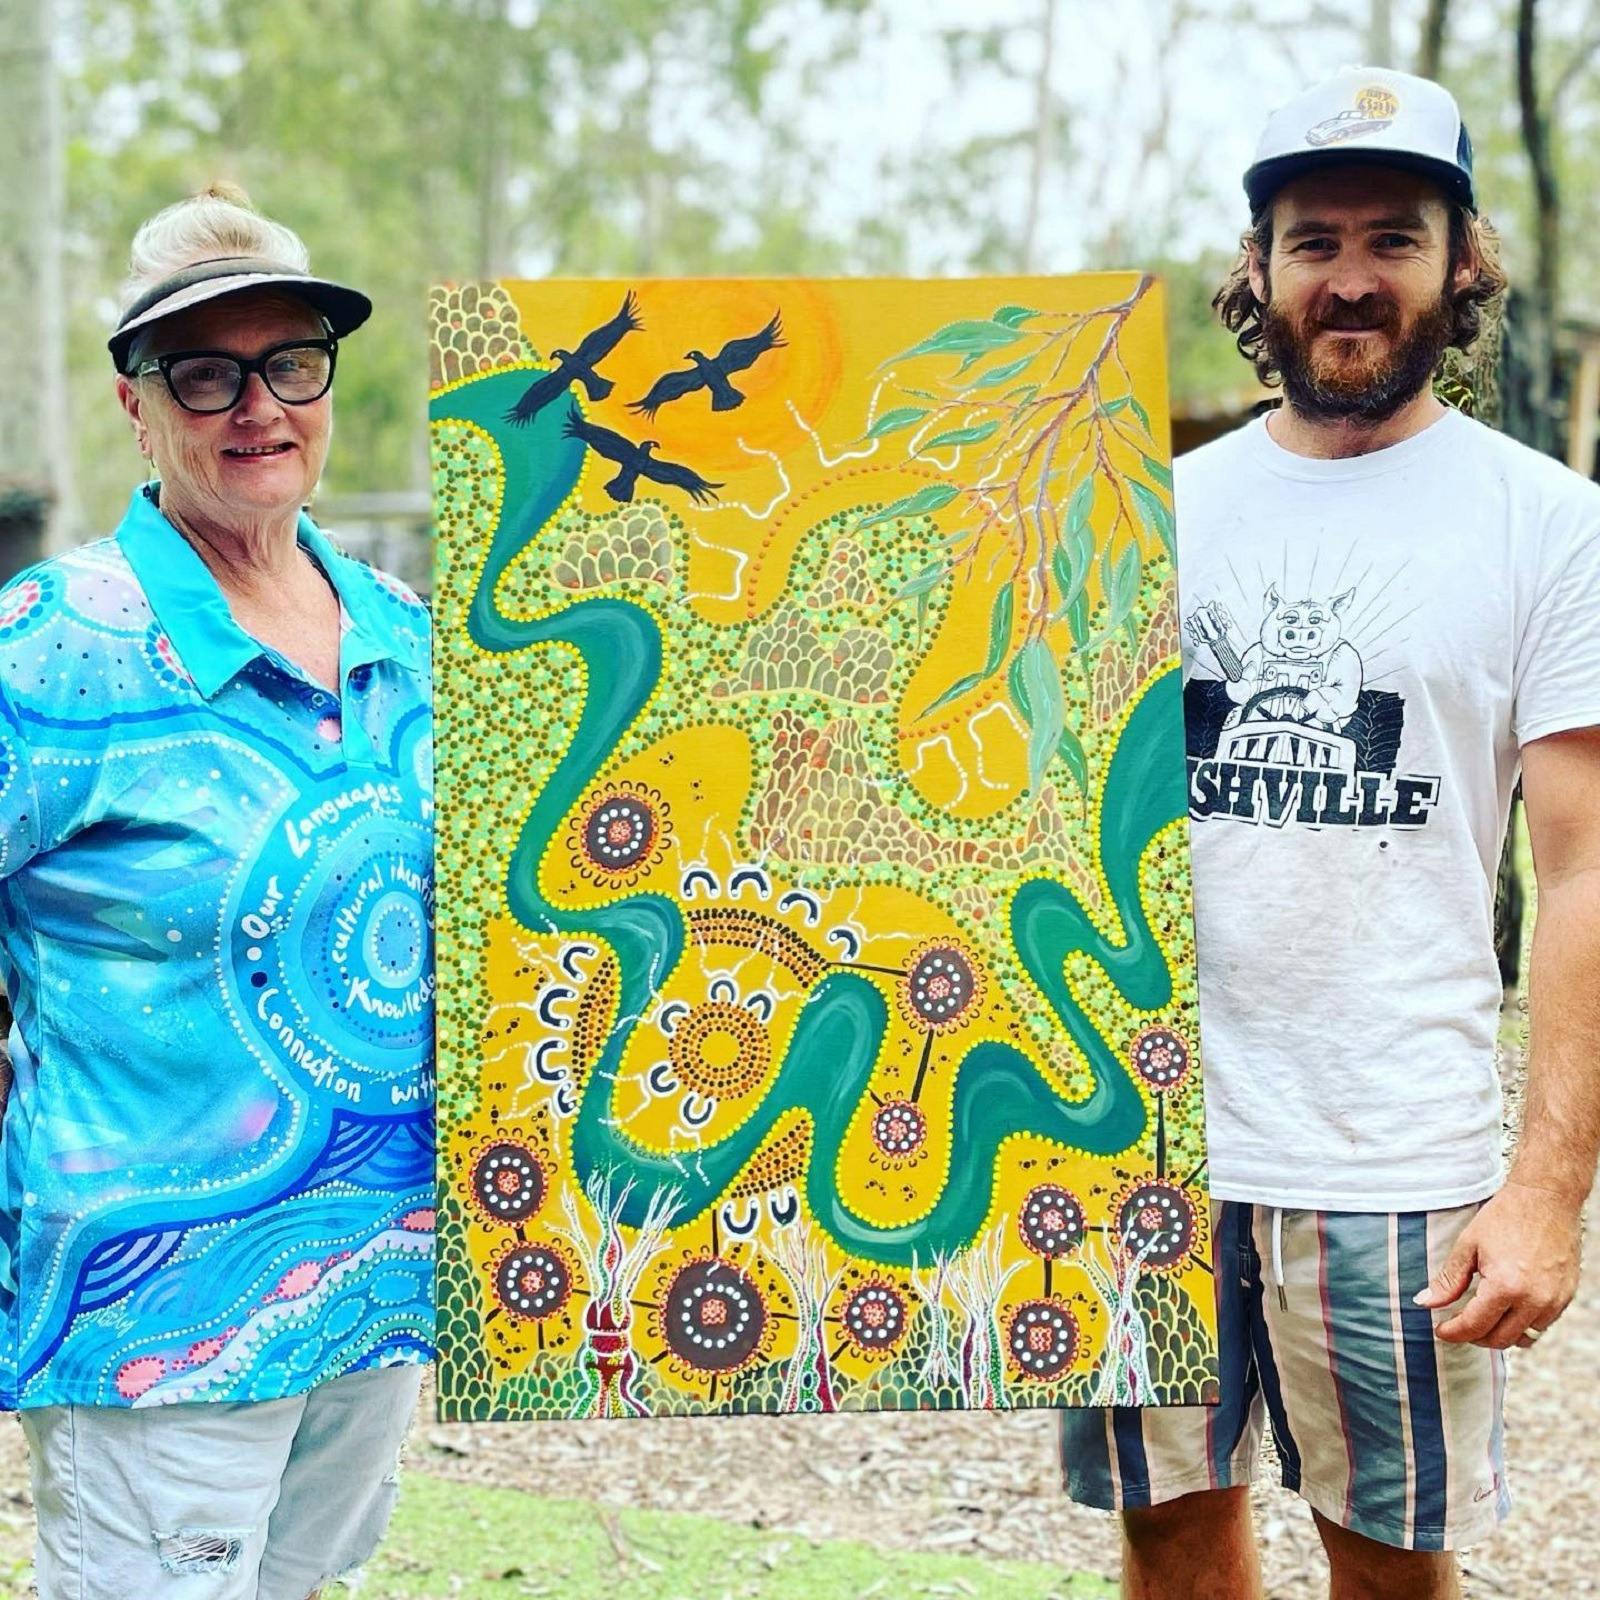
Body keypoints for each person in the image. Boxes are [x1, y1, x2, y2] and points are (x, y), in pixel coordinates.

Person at [1061, 67, 1600, 1599]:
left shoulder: (1549, 524)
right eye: (1313, 241)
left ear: (1462, 262)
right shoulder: (1143, 509)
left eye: (1392, 238)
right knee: (1167, 1528)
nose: (1350, 277)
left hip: (1392, 1153)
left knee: (1388, 1559)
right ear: (1259, 267)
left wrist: (1548, 1189)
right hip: (1135, 1137)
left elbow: (1585, 868)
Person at [0, 185, 436, 1599]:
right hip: (157, 1307)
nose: (258, 407)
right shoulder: (50, 652)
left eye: (290, 364)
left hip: (376, 1278)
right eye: (205, 373)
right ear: (138, 406)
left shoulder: (407, 633)